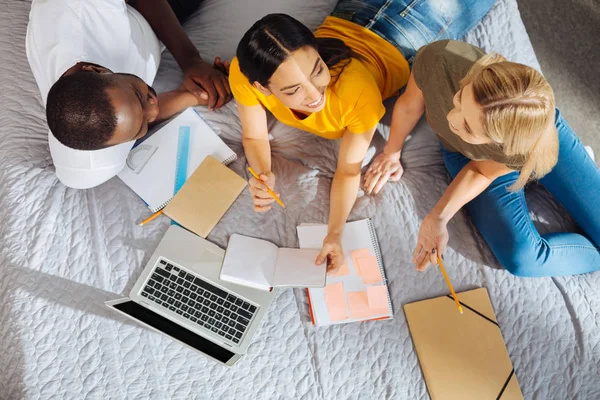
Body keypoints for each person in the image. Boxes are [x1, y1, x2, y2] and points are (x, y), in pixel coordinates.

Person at [229, 0, 496, 272]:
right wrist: (263, 173)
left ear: (317, 50)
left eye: (318, 69)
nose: (314, 94)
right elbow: (253, 137)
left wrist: (334, 234)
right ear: (262, 88)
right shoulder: (243, 74)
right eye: (294, 89)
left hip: (408, 27)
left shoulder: (356, 92)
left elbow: (347, 171)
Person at [364, 39, 600, 277]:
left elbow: (486, 170)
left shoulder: (521, 146)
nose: (451, 119)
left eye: (467, 127)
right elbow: (408, 107)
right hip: (469, 158)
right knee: (522, 258)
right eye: (459, 100)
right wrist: (392, 152)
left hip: (526, 147)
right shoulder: (439, 59)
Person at [26, 0, 232, 189]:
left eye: (138, 95)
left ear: (96, 70)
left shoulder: (79, 9)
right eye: (140, 127)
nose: (154, 109)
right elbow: (132, 122)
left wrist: (190, 60)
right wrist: (193, 96)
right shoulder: (89, 164)